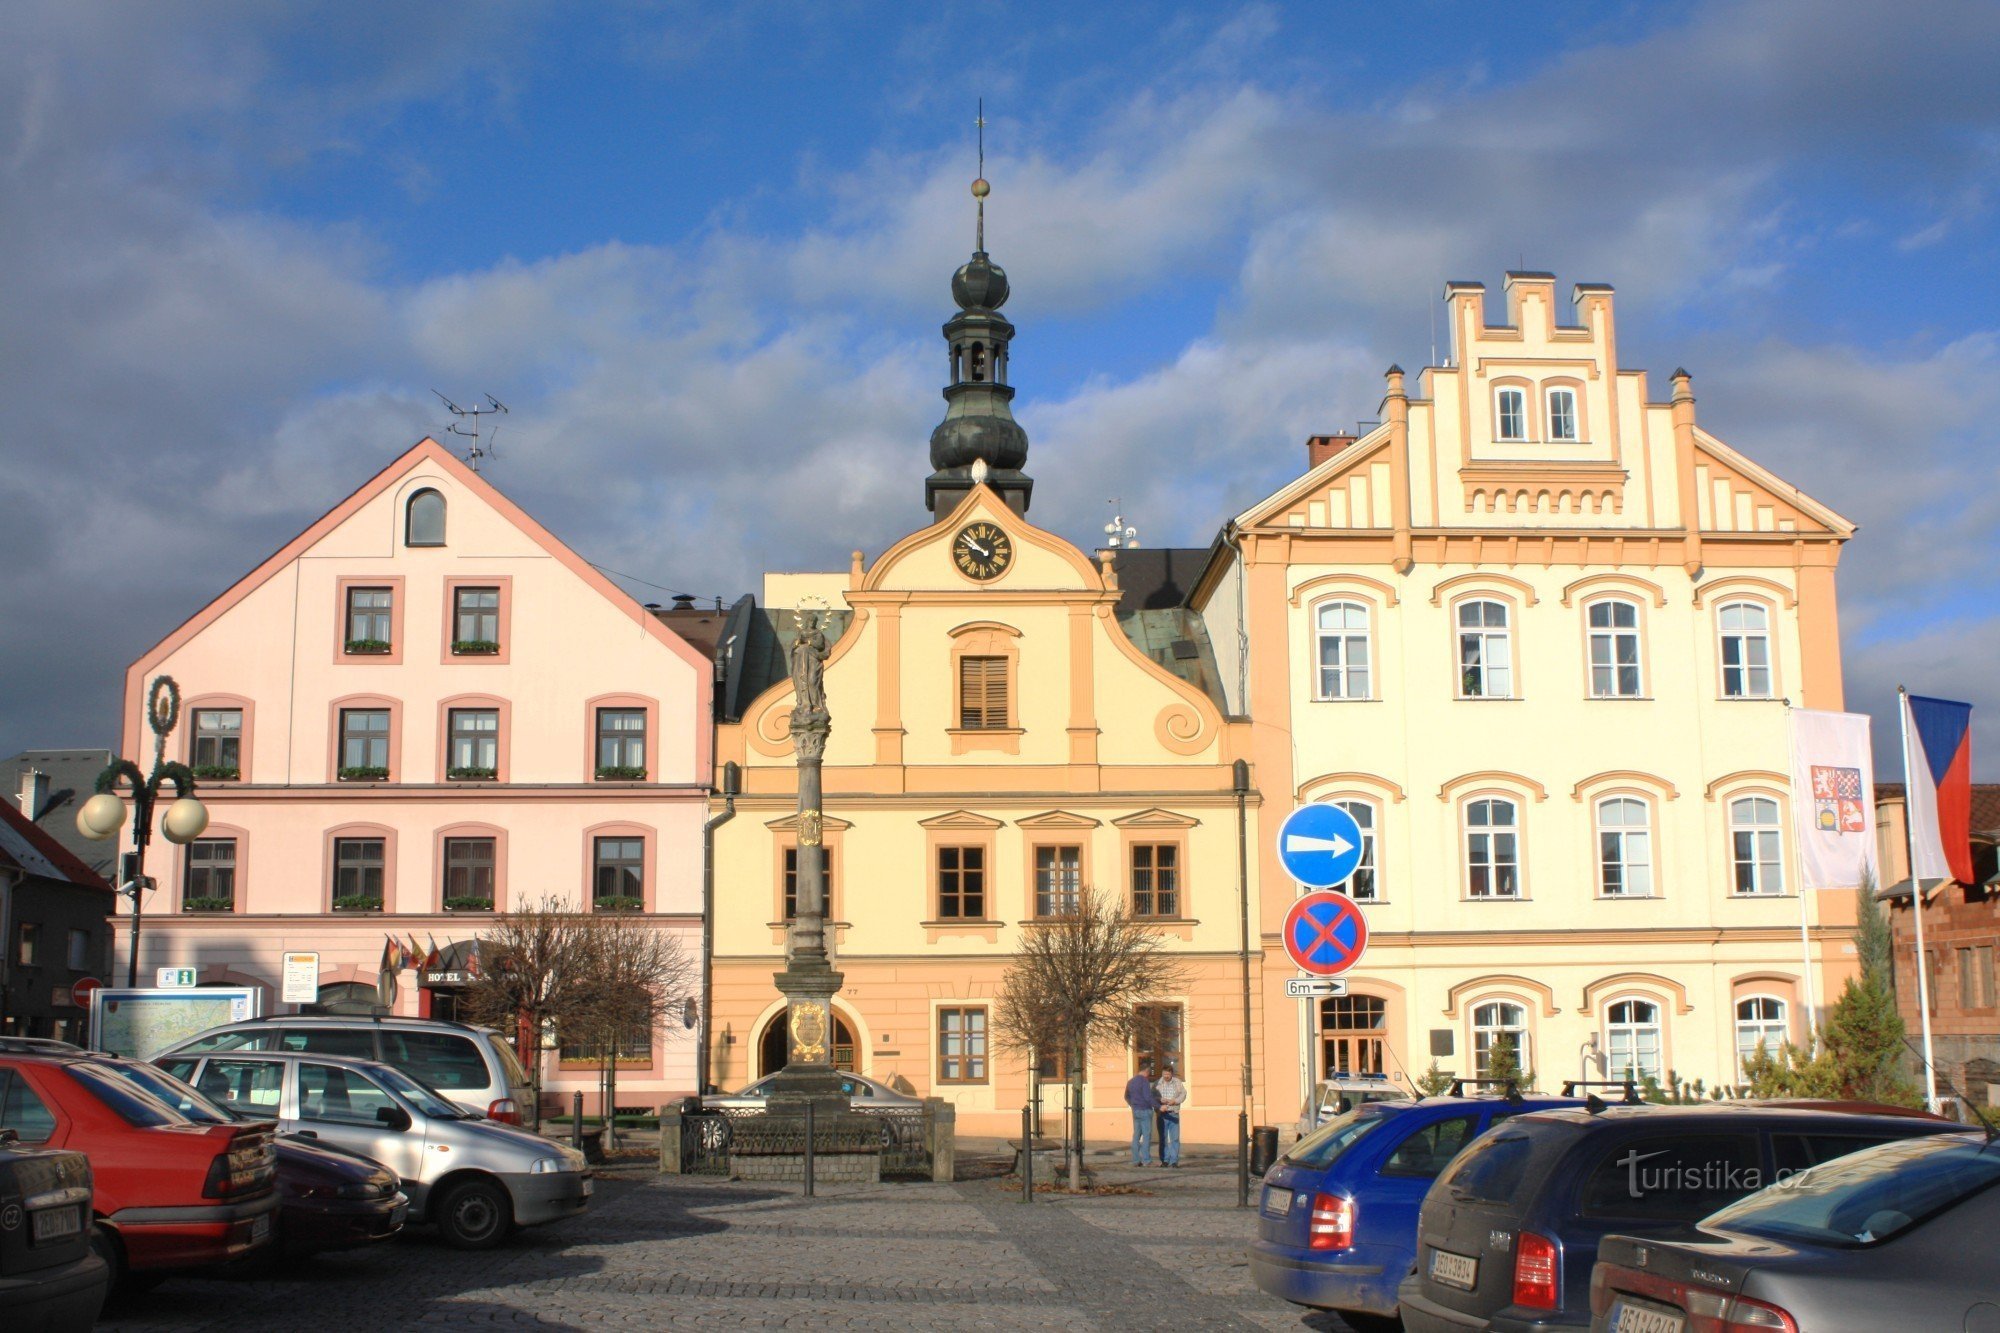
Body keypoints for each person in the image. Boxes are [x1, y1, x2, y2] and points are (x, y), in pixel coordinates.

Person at [1124, 1063, 1159, 1166]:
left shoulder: (1131, 1081)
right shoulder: (1144, 1081)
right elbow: (1148, 1097)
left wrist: (1133, 1105)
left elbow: (1126, 1096)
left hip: (1135, 1111)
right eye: (1149, 1072)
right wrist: (1158, 1106)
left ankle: (1135, 1160)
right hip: (1145, 1110)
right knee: (1147, 1136)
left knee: (1136, 1136)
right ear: (1147, 1071)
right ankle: (1146, 1160)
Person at [1154, 1062, 1187, 1168]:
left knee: (1175, 1138)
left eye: (1168, 1074)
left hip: (1174, 1113)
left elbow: (1183, 1094)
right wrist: (1159, 1100)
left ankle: (1174, 1161)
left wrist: (1175, 1101)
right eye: (1164, 1074)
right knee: (1163, 1138)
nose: (1166, 1076)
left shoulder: (1177, 1082)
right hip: (1162, 1114)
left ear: (1171, 1073)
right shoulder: (1157, 1083)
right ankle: (1164, 1160)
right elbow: (1152, 1096)